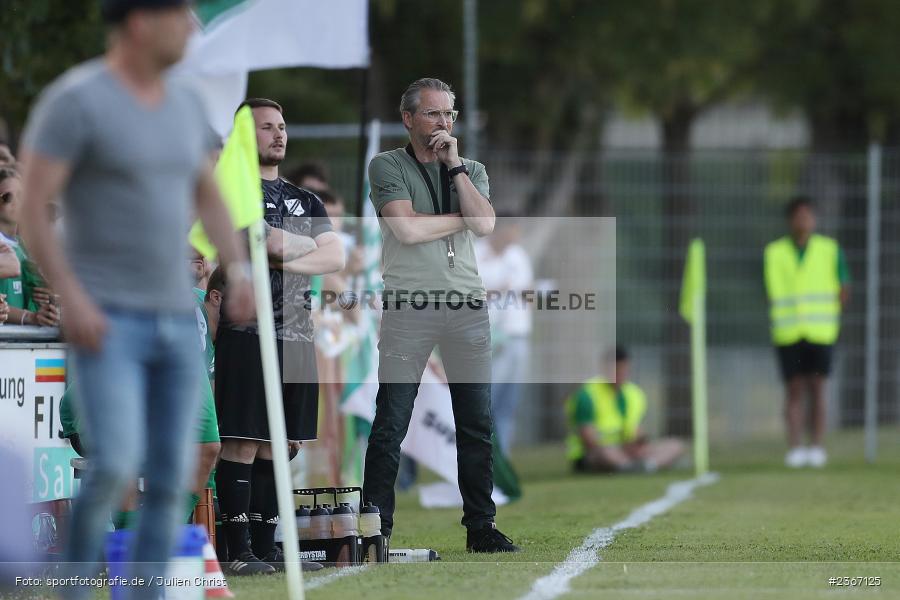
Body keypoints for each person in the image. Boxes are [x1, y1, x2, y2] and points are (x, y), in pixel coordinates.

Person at [18, 1, 255, 597]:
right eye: (179, 15)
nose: (192, 28)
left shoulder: (184, 104)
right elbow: (31, 212)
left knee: (176, 472)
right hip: (108, 319)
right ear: (140, 23)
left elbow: (208, 195)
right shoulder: (76, 101)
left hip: (175, 318)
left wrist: (241, 269)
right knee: (117, 465)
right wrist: (71, 295)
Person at [364, 77, 518, 553]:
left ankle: (481, 527)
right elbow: (406, 230)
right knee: (392, 421)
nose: (443, 122)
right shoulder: (386, 165)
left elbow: (485, 224)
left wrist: (454, 167)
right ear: (408, 118)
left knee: (476, 423)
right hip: (409, 306)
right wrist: (460, 221)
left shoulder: (470, 169)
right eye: (433, 113)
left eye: (449, 114)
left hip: (467, 307)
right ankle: (375, 529)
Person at [215, 97, 342, 575]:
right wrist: (296, 248)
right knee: (243, 441)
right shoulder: (235, 192)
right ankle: (238, 550)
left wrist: (285, 251)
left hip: (297, 331)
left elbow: (334, 258)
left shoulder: (306, 199)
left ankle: (266, 548)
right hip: (249, 328)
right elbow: (259, 242)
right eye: (267, 127)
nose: (279, 134)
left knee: (278, 443)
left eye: (282, 126)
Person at [764, 196, 849, 469]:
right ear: (790, 220)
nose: (803, 221)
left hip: (820, 331)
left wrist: (832, 314)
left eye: (808, 216)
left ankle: (817, 447)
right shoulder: (775, 252)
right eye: (798, 216)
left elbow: (843, 286)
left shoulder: (829, 249)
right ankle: (795, 448)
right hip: (788, 332)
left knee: (818, 389)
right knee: (794, 390)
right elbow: (771, 291)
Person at [566, 346, 685, 473]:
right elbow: (589, 441)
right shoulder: (587, 395)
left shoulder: (634, 394)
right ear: (605, 369)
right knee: (606, 452)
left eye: (623, 369)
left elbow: (637, 431)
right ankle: (630, 466)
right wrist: (622, 447)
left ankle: (647, 465)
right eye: (616, 370)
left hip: (625, 450)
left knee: (675, 445)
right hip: (595, 453)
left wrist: (638, 444)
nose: (620, 374)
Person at [475, 212, 533, 453]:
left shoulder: (518, 256)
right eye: (514, 229)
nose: (517, 235)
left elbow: (527, 292)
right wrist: (498, 291)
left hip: (517, 337)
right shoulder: (475, 253)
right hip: (487, 338)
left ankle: (502, 458)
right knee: (486, 401)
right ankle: (482, 455)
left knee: (508, 403)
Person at [0, 166, 59, 328]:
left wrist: (44, 299)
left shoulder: (25, 247)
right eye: (8, 197)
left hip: (22, 340)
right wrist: (30, 317)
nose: (16, 202)